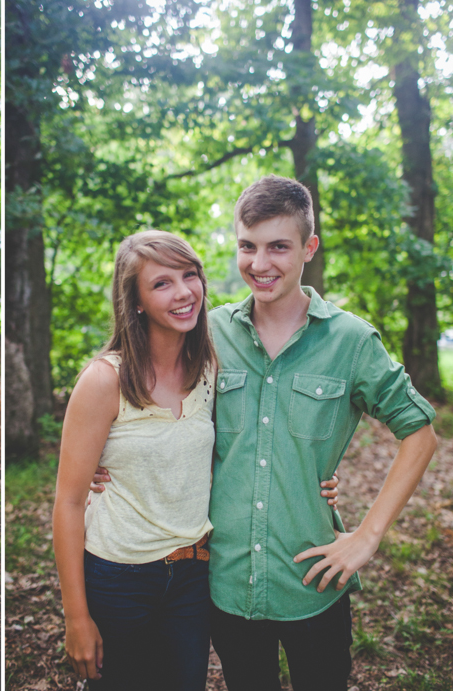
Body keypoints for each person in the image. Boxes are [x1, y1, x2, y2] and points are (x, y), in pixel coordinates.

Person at [92, 176, 437, 690]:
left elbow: (421, 433)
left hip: (312, 581)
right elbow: (158, 406)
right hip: (227, 583)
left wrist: (367, 536)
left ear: (309, 248)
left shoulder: (351, 341)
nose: (260, 263)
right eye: (247, 246)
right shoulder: (209, 333)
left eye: (278, 246)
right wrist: (109, 464)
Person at [53, 231, 339, 690]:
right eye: (161, 284)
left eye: (189, 276)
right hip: (120, 575)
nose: (184, 292)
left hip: (193, 573)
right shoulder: (105, 380)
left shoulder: (209, 369)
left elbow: (247, 445)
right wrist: (76, 617)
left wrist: (316, 474)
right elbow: (67, 503)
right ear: (136, 302)